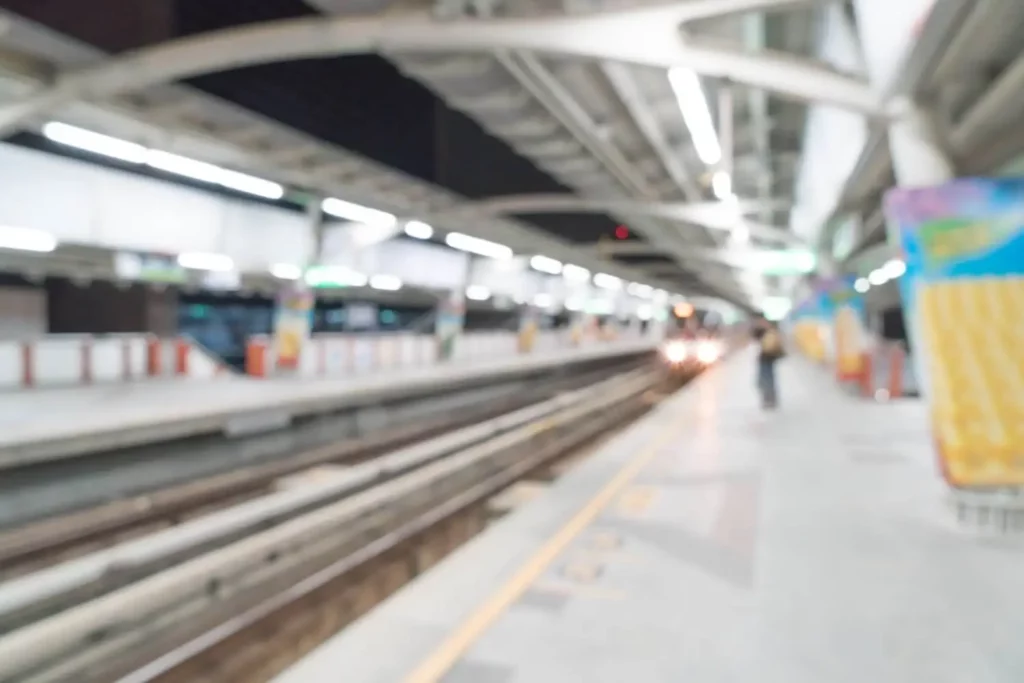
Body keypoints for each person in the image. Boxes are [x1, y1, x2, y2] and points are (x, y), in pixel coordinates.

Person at [751, 317, 785, 408]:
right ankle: (769, 399)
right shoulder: (765, 332)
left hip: (767, 359)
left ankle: (769, 400)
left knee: (766, 380)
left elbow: (770, 347)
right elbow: (755, 335)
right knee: (765, 380)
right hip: (765, 359)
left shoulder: (771, 333)